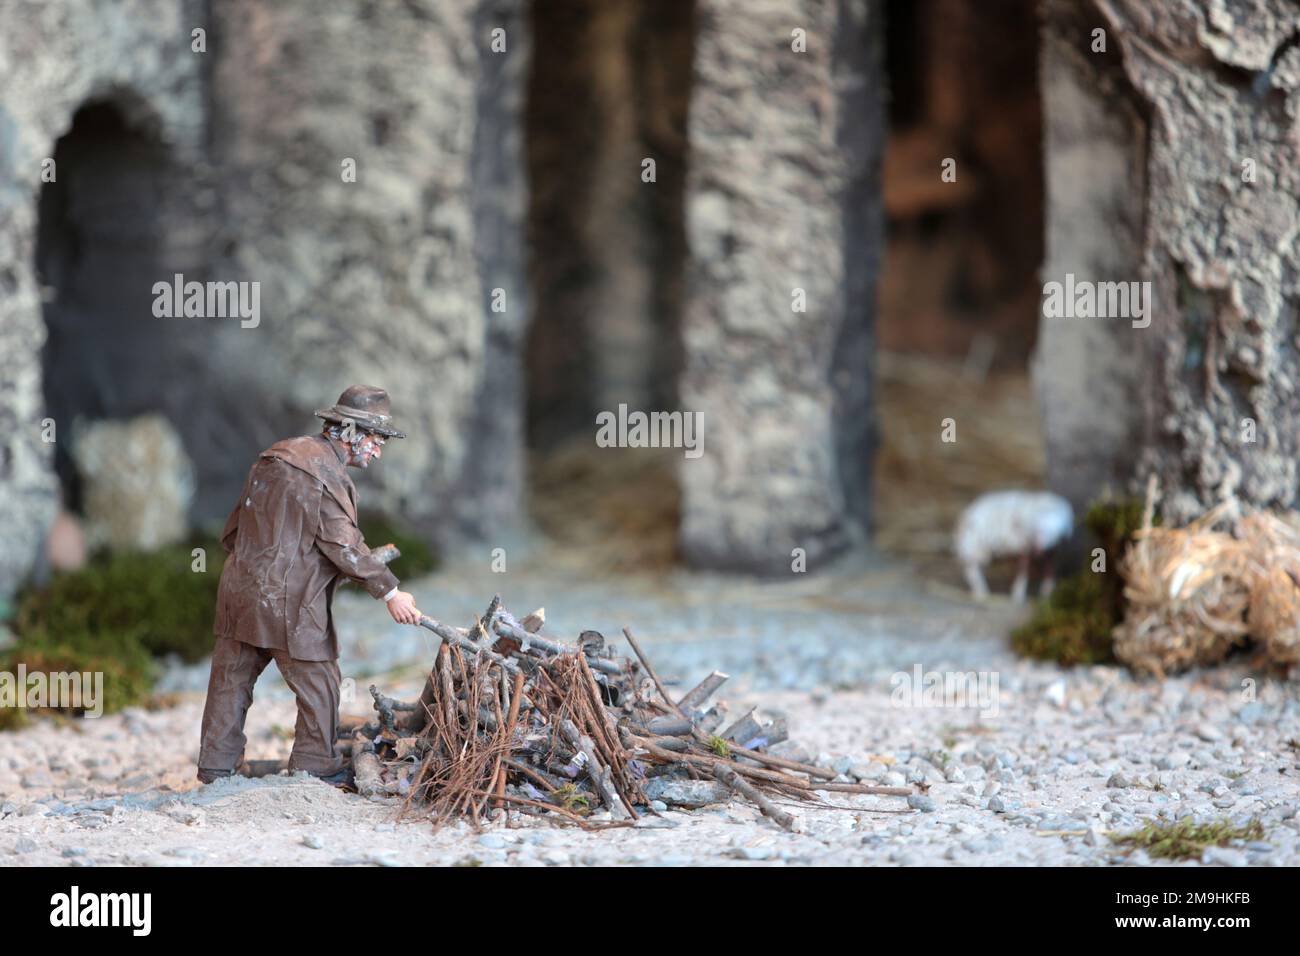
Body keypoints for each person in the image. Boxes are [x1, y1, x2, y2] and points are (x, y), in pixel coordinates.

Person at [196, 385, 422, 786]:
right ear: (350, 432)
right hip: (291, 604)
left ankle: (216, 766)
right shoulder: (325, 474)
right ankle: (315, 764)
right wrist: (390, 592)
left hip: (238, 590)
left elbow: (233, 529)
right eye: (375, 439)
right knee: (320, 682)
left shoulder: (275, 455)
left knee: (230, 680)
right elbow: (344, 545)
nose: (378, 450)